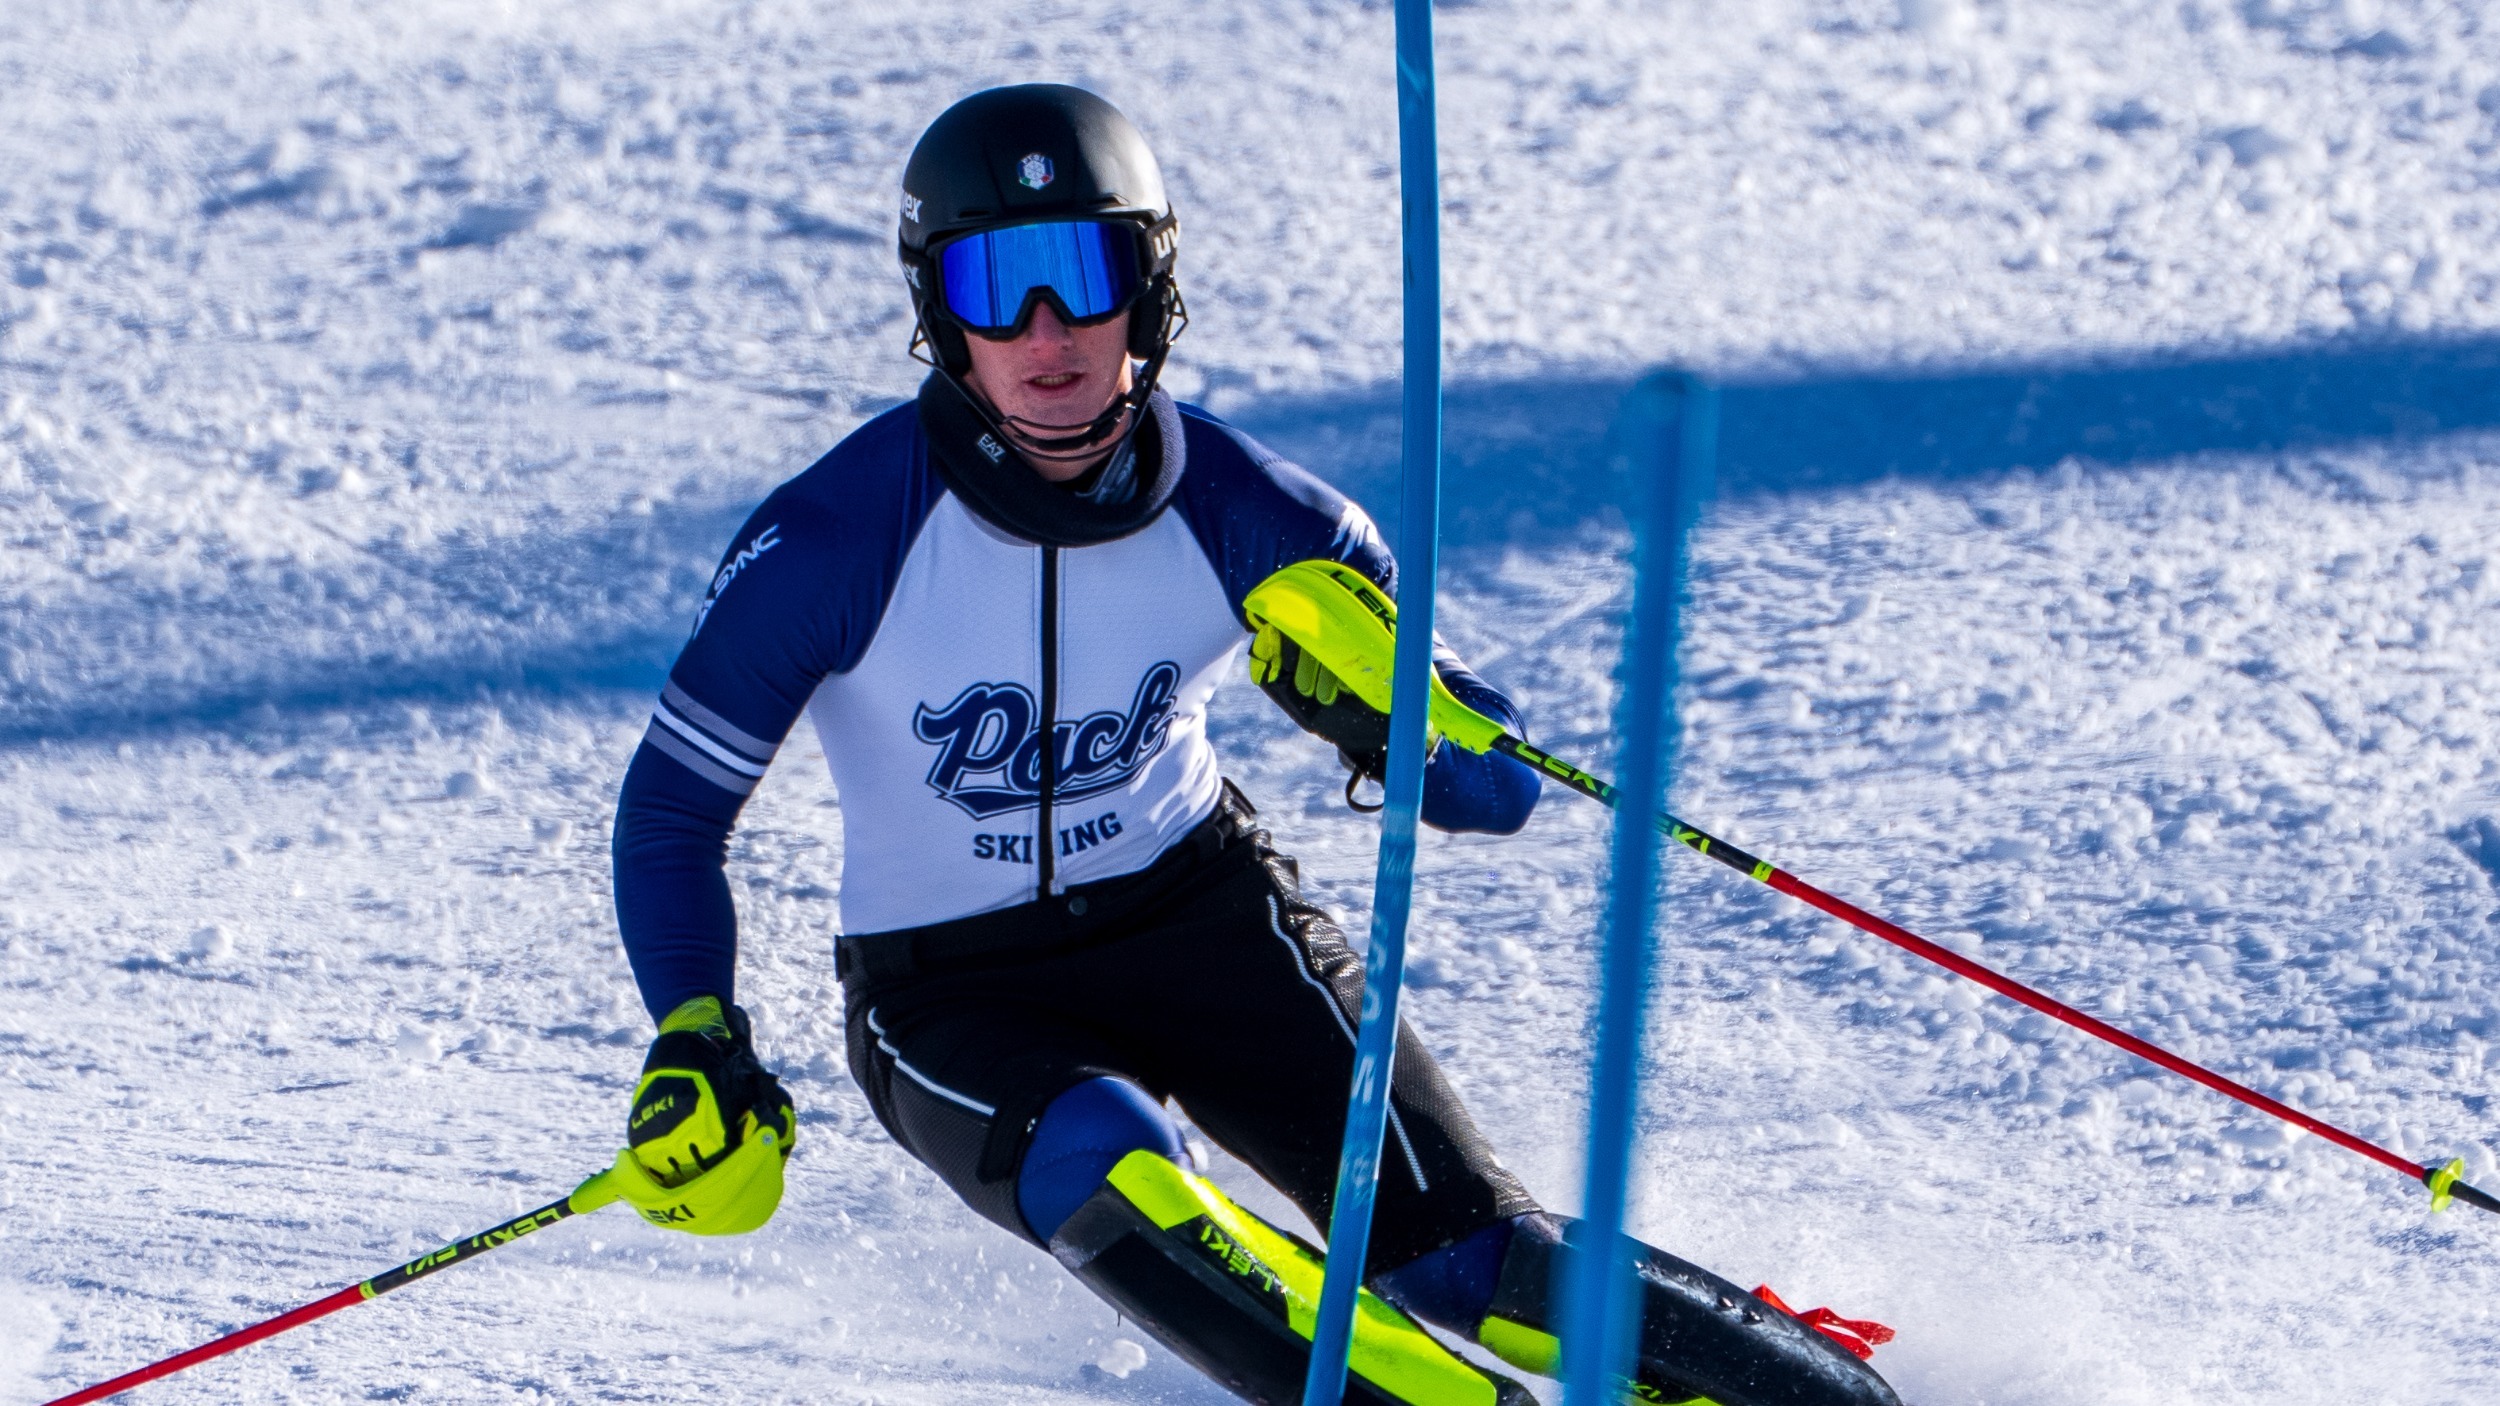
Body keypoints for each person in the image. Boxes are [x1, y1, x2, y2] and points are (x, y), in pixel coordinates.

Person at [602, 84, 1900, 1406]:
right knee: (1117, 1169)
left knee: (1467, 1261)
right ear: (941, 314)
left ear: (1149, 290)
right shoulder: (833, 541)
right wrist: (695, 1028)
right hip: (951, 986)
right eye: (997, 285)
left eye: (1083, 272)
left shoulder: (1253, 512)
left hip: (1206, 916)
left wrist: (1382, 712)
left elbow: (1498, 787)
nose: (1045, 333)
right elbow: (668, 819)